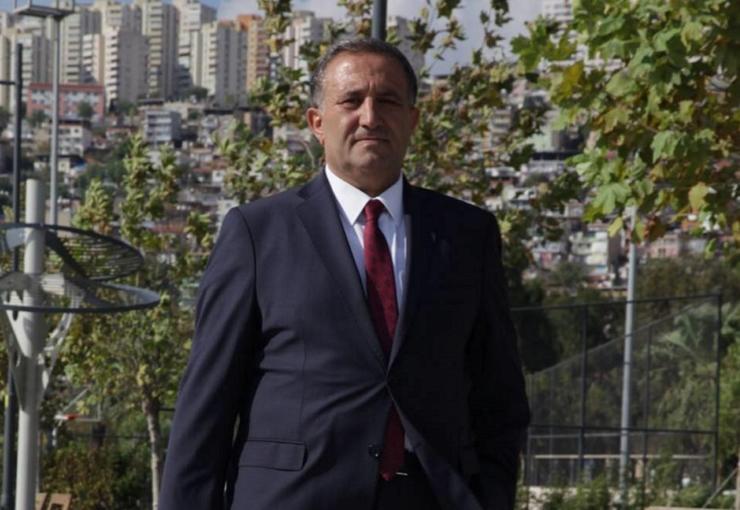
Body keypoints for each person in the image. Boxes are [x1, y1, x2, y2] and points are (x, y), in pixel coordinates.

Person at [159, 38, 530, 510]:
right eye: (351, 101)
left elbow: (500, 396)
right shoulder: (256, 233)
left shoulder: (467, 235)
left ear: (413, 120)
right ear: (317, 122)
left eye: (388, 101)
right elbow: (205, 405)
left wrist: (491, 496)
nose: (371, 117)